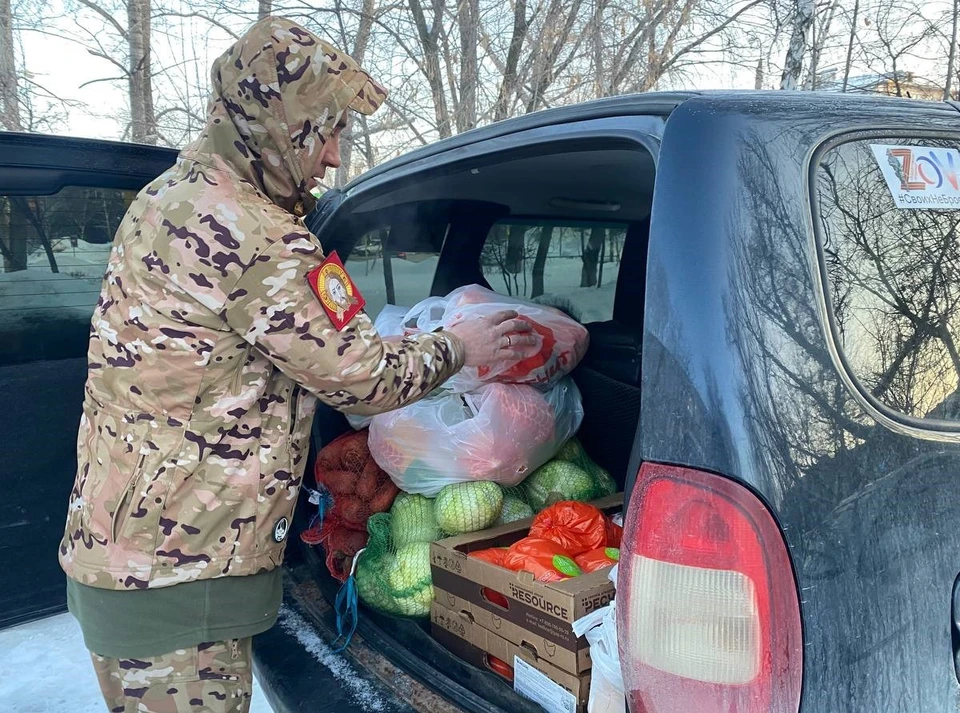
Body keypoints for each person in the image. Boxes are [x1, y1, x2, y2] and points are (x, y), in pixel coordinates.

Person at [58, 16, 537, 713]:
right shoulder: (252, 231)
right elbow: (365, 379)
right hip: (177, 579)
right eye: (328, 130)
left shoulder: (173, 195)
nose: (336, 157)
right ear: (282, 124)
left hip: (137, 553)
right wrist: (463, 345)